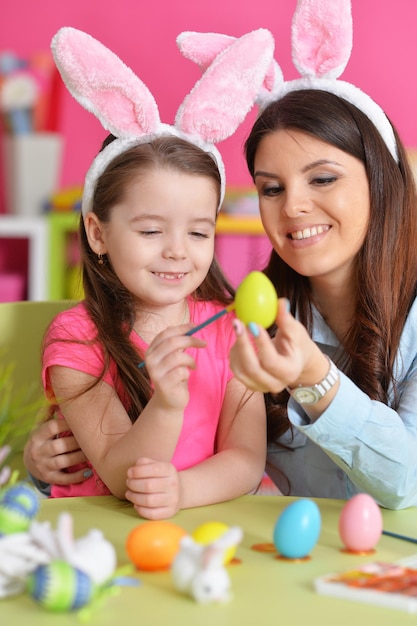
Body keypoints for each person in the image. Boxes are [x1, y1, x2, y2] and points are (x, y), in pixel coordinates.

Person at [22, 26, 272, 519]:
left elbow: (246, 459)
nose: (178, 253)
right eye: (152, 231)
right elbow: (120, 474)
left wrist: (182, 491)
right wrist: (168, 404)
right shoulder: (76, 338)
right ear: (97, 234)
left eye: (199, 233)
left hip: (209, 534)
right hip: (105, 537)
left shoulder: (229, 328)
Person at [228, 0, 417, 510]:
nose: (293, 206)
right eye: (271, 189)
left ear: (383, 181)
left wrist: (315, 378)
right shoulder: (251, 322)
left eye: (323, 178)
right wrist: (68, 461)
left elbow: (407, 481)